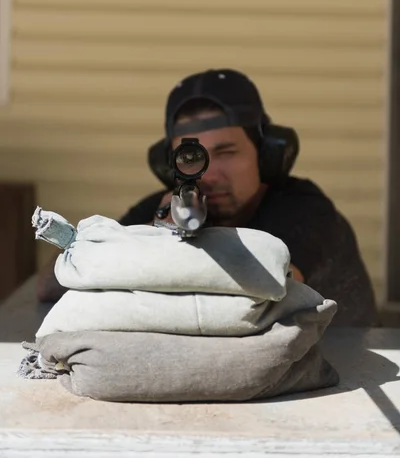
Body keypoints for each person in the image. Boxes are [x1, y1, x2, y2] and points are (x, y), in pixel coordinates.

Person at [37, 68, 380, 326]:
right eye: (191, 158)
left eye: (227, 152)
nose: (209, 173)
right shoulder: (168, 204)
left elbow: (265, 288)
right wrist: (154, 230)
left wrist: (149, 256)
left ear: (266, 155)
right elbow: (53, 284)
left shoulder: (304, 208)